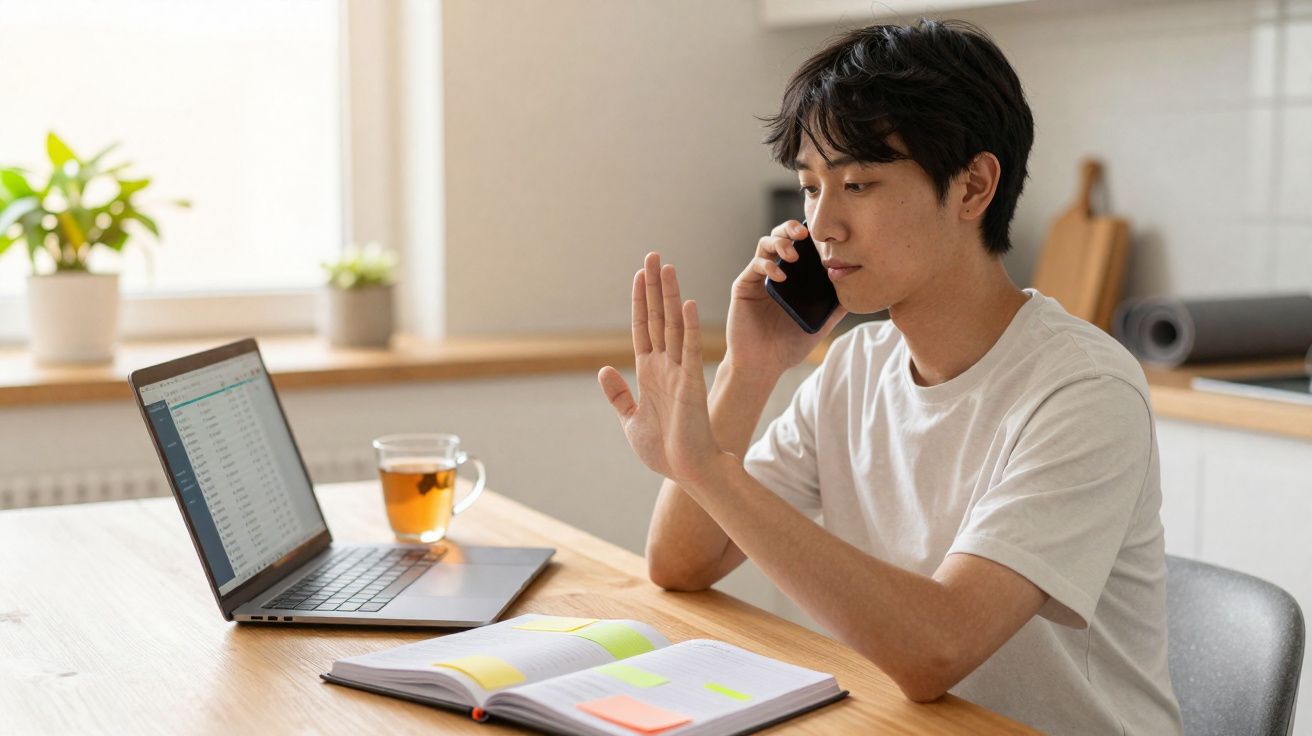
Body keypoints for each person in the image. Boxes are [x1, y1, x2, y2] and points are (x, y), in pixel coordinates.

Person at [595, 18, 1182, 735]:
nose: (821, 224)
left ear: (973, 188)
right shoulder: (853, 366)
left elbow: (938, 650)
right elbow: (681, 561)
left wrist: (705, 467)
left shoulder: (1084, 391)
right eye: (811, 187)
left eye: (859, 183)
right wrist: (749, 372)